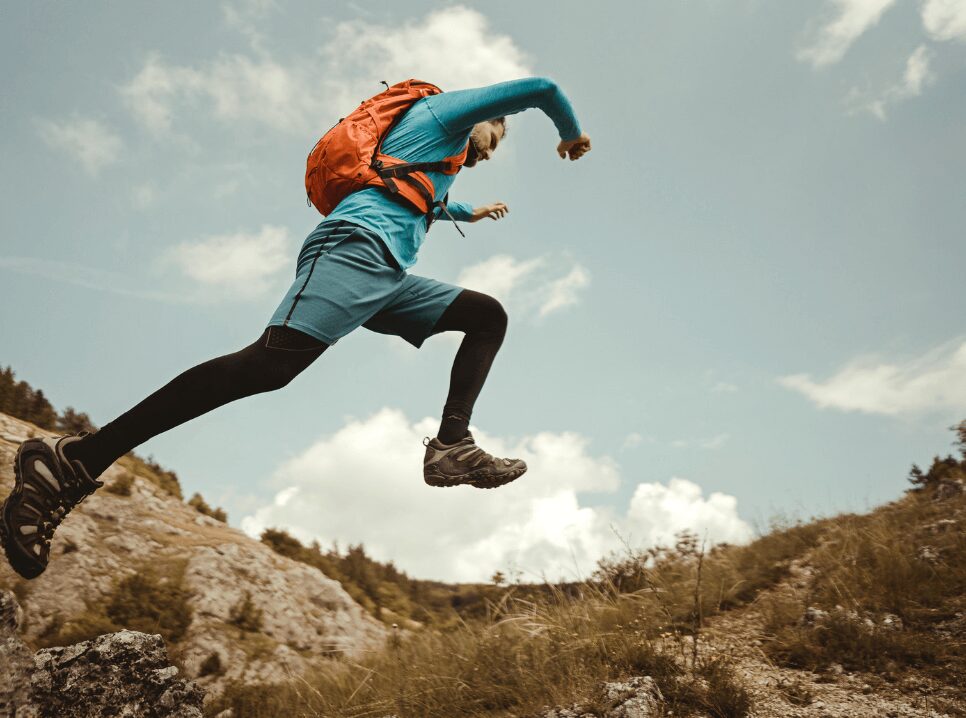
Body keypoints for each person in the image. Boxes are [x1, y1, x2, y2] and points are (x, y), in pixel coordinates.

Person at [0, 76, 591, 579]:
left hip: (387, 275)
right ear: (485, 117)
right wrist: (569, 132)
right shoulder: (441, 113)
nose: (493, 147)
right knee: (268, 365)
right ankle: (75, 459)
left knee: (486, 315)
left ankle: (451, 447)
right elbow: (541, 88)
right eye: (497, 134)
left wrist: (469, 209)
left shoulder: (440, 163)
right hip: (353, 250)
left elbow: (423, 200)